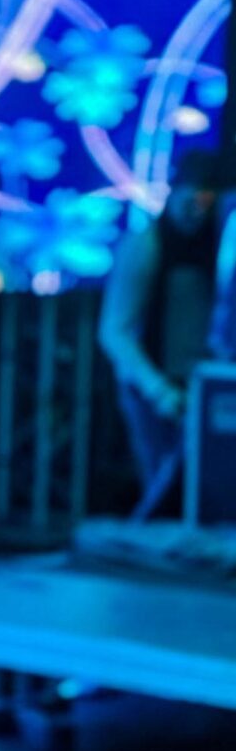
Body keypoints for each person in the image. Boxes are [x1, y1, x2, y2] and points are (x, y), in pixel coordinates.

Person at [98, 147, 232, 518]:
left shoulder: (221, 245)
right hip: (155, 389)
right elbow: (114, 331)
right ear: (174, 193)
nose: (196, 212)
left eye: (206, 204)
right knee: (165, 490)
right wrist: (157, 390)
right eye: (190, 201)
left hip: (204, 385)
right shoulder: (146, 245)